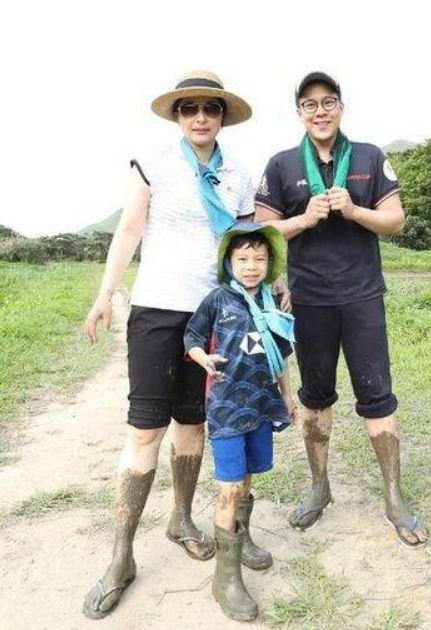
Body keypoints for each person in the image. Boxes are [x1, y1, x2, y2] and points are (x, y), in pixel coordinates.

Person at [82, 71, 279, 620]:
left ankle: (184, 519)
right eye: (189, 109)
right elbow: (129, 231)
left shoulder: (240, 174)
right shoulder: (154, 163)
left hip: (215, 313)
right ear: (177, 116)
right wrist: (105, 296)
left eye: (209, 110)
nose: (199, 118)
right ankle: (120, 557)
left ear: (221, 117)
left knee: (194, 425)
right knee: (145, 430)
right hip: (155, 309)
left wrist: (270, 290)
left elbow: (245, 248)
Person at [254, 71, 428, 547]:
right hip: (308, 300)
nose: (320, 111)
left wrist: (354, 212)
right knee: (315, 398)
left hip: (362, 296)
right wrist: (305, 218)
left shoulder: (370, 157)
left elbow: (395, 219)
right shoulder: (282, 165)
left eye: (327, 101)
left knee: (378, 395)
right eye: (309, 105)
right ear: (299, 113)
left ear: (341, 107)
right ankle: (319, 487)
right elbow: (263, 234)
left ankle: (394, 496)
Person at [184, 223, 295, 622]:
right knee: (229, 487)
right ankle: (225, 579)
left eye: (259, 259)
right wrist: (204, 360)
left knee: (248, 478)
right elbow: (192, 337)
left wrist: (286, 396)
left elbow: (281, 356)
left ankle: (242, 538)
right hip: (228, 408)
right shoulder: (217, 299)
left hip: (261, 406)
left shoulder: (273, 302)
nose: (251, 266)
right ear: (229, 262)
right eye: (243, 259)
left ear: (270, 263)